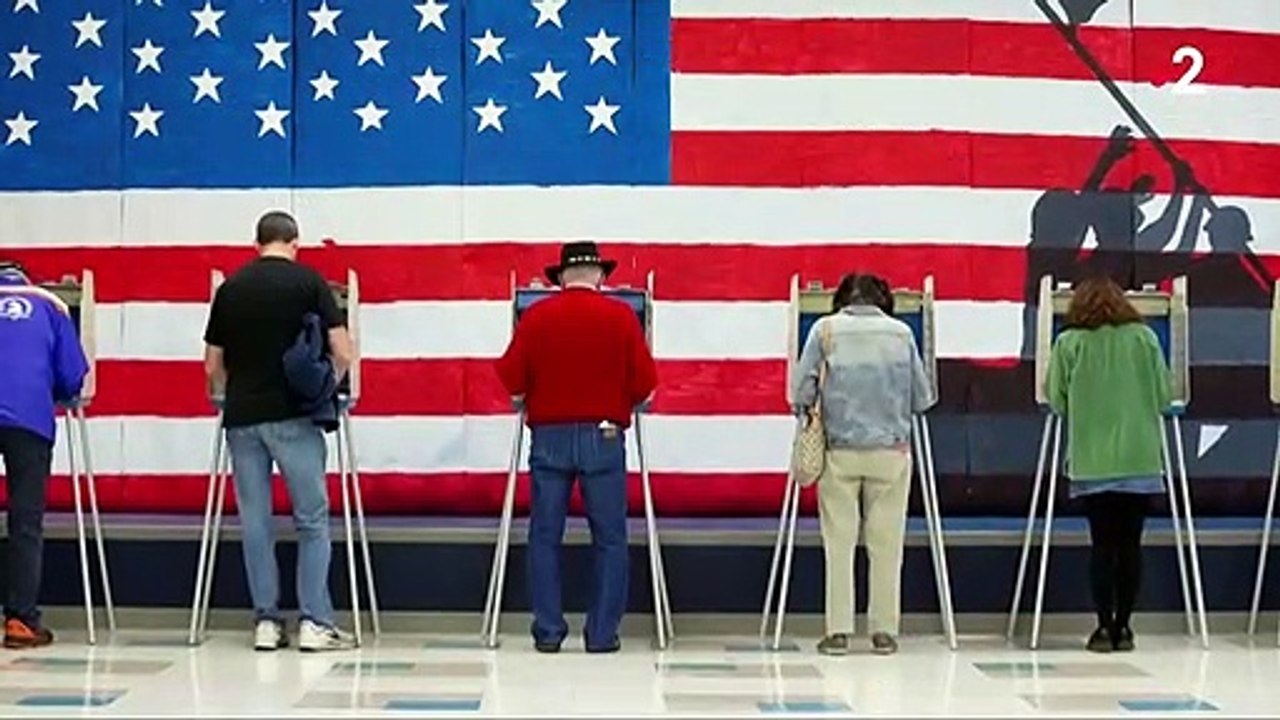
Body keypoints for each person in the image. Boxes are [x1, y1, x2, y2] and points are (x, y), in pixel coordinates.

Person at [202, 211, 356, 652]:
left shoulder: (230, 289)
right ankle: (314, 621)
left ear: (256, 243)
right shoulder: (311, 283)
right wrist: (326, 384)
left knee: (256, 521)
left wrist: (232, 392)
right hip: (296, 416)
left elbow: (213, 366)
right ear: (295, 243)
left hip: (243, 418)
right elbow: (342, 350)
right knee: (310, 520)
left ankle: (266, 622)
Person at [495, 241, 657, 654]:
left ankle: (549, 631)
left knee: (545, 536)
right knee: (610, 538)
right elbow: (645, 384)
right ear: (601, 277)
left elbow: (511, 378)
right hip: (604, 436)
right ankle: (602, 634)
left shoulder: (536, 317)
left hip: (549, 437)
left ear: (561, 277)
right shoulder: (622, 318)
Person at [792, 273, 934, 656]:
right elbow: (923, 397)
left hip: (840, 452)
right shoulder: (902, 334)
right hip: (891, 452)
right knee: (887, 546)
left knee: (838, 544)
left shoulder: (825, 330)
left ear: (841, 300)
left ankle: (838, 632)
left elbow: (799, 390)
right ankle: (884, 632)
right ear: (883, 301)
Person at [1047, 276, 1172, 653]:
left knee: (1102, 546)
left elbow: (1057, 401)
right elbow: (1164, 396)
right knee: (1131, 546)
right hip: (1140, 459)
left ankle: (1102, 628)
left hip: (1093, 463)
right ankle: (1126, 627)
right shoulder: (1144, 339)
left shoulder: (1068, 343)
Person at [0, 261, 89, 648]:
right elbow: (72, 377)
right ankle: (20, 620)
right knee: (25, 521)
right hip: (29, 420)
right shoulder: (50, 304)